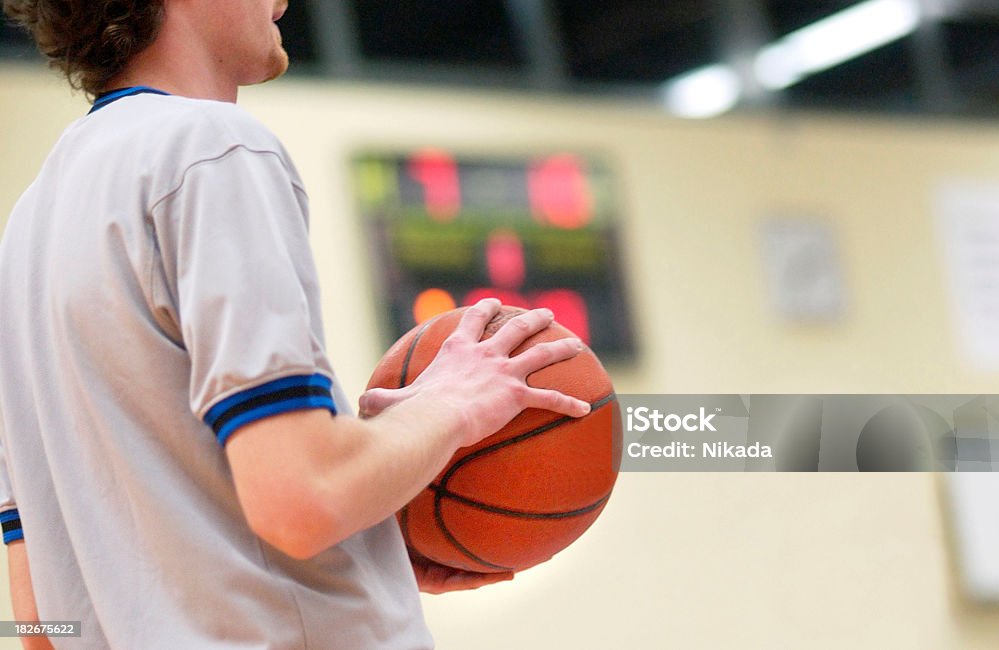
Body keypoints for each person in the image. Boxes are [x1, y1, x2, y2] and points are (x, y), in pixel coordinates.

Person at [0, 0, 591, 647]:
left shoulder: (27, 226)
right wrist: (453, 404)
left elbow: (38, 620)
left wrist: (363, 533)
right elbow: (302, 499)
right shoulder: (212, 148)